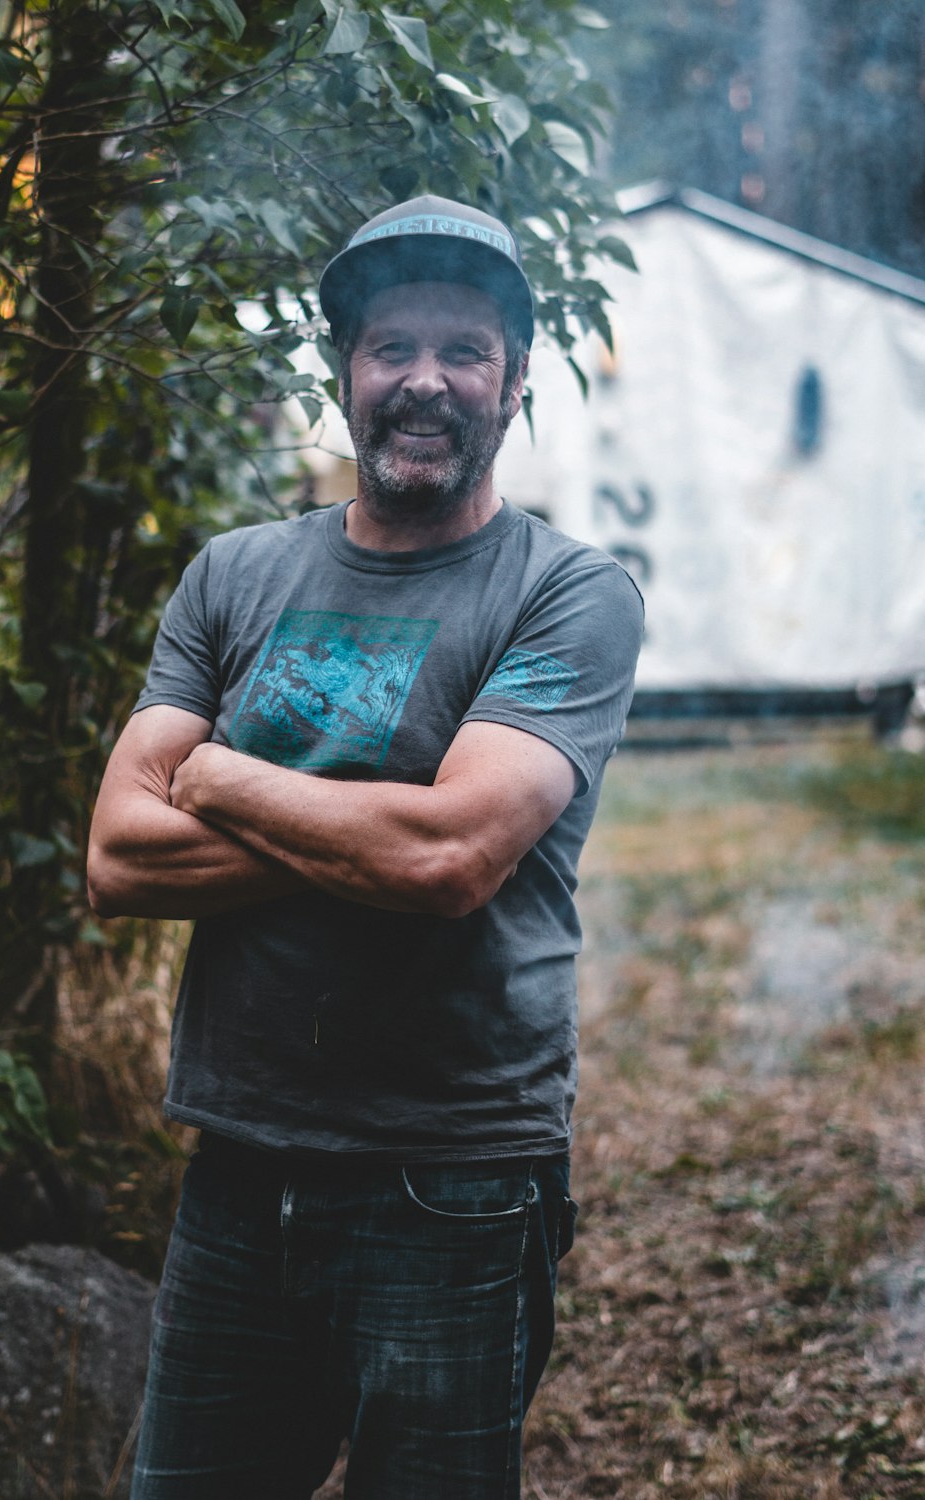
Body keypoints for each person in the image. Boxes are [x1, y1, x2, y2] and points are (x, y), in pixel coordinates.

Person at [87, 193, 643, 1499]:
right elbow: (118, 855)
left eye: (465, 352)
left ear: (514, 384)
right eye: (393, 348)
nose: (425, 383)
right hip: (238, 1164)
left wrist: (218, 774)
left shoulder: (569, 593)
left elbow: (448, 858)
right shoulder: (234, 575)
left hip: (451, 1180)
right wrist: (372, 829)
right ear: (345, 373)